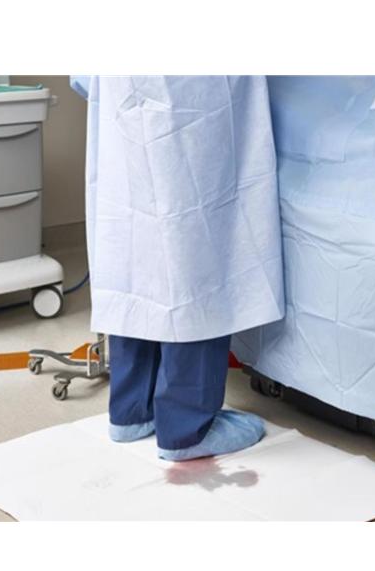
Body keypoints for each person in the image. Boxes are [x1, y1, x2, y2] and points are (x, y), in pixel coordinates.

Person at [71, 76, 284, 461]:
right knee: (193, 248)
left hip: (122, 85)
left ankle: (131, 410)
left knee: (134, 244)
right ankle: (187, 428)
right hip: (192, 93)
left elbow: (81, 77)